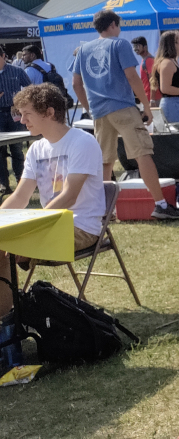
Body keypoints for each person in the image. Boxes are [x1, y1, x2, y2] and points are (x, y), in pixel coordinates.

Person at [0, 84, 104, 340]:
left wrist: (31, 224)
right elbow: (21, 196)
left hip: (82, 227)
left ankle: (5, 324)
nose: (21, 120)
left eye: (26, 114)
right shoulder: (36, 149)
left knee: (5, 250)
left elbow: (68, 196)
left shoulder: (83, 142)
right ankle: (6, 319)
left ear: (48, 112)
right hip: (51, 224)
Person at [70, 10, 179, 219]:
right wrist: (146, 106)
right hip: (122, 107)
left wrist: (89, 108)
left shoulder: (83, 49)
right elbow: (132, 76)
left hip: (99, 111)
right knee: (142, 153)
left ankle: (104, 210)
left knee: (105, 161)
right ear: (113, 24)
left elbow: (76, 84)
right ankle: (160, 204)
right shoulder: (119, 44)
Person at [0, 47, 31, 193]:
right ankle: (4, 185)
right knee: (0, 152)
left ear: (3, 56)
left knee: (17, 149)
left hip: (14, 115)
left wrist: (20, 102)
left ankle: (21, 182)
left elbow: (31, 89)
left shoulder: (17, 71)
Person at [150, 31, 179, 123]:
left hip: (177, 104)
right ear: (173, 44)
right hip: (174, 105)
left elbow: (176, 84)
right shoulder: (167, 63)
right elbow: (165, 89)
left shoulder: (172, 61)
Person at [131, 36, 161, 109]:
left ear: (145, 47)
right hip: (148, 98)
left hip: (154, 99)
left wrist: (152, 100)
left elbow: (153, 80)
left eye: (137, 46)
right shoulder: (144, 60)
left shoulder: (149, 60)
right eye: (134, 46)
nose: (135, 49)